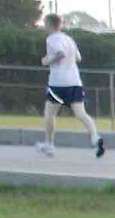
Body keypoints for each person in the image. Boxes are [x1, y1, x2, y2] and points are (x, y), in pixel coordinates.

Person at [36, 14, 105, 158]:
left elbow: (60, 54)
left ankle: (49, 145)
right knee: (81, 113)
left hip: (58, 83)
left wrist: (48, 60)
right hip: (74, 82)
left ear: (49, 24)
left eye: (44, 23)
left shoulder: (52, 39)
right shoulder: (68, 39)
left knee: (50, 114)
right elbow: (78, 58)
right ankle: (95, 137)